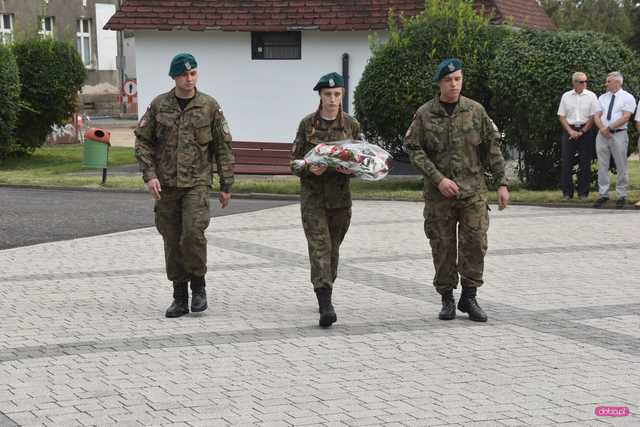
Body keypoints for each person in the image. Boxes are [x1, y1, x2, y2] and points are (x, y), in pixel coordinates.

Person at [403, 58, 509, 322]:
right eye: (449, 80)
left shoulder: (475, 111)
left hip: (473, 190)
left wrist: (502, 183)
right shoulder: (425, 114)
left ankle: (469, 296)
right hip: (440, 195)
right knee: (443, 245)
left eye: (458, 79)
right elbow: (414, 149)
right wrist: (438, 179)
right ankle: (447, 297)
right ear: (439, 83)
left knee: (475, 243)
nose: (454, 84)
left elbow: (492, 148)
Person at [135, 53, 235, 318]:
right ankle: (179, 296)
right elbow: (143, 142)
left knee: (192, 233)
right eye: (183, 75)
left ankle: (198, 287)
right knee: (171, 238)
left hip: (197, 183)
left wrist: (226, 184)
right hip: (166, 185)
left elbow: (223, 147)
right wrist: (149, 175)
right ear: (174, 77)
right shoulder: (159, 106)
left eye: (193, 74)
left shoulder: (209, 106)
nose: (189, 80)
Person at [290, 72, 361, 327]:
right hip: (314, 199)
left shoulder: (351, 126)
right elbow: (294, 162)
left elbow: (360, 160)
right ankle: (325, 304)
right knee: (320, 249)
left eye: (337, 95)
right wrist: (309, 168)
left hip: (340, 199)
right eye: (328, 95)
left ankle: (326, 286)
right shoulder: (307, 125)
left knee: (333, 250)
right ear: (320, 96)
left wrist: (350, 169)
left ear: (342, 95)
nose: (332, 99)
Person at [592, 71, 636, 209]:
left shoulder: (628, 97)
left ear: (618, 82)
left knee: (621, 165)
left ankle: (621, 194)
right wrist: (603, 129)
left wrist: (609, 128)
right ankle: (603, 194)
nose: (606, 84)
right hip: (602, 134)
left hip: (619, 134)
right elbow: (597, 116)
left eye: (608, 81)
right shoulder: (602, 97)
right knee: (602, 164)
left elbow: (625, 117)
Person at [557, 72, 598, 200]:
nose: (584, 84)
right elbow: (561, 116)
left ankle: (583, 193)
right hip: (569, 130)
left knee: (585, 163)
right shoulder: (566, 96)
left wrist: (582, 132)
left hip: (585, 131)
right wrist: (570, 131)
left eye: (585, 81)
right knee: (566, 162)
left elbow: (593, 116)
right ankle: (567, 193)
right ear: (574, 82)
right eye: (581, 82)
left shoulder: (591, 96)